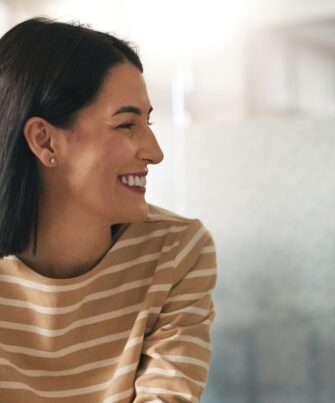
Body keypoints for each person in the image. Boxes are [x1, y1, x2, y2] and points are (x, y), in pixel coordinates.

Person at [0, 18, 216, 402]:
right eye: (126, 124)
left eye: (147, 121)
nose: (155, 151)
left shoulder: (177, 251)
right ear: (45, 141)